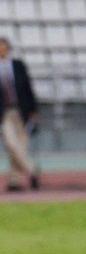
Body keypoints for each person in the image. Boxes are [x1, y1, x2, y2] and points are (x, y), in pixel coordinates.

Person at [0, 38, 39, 192]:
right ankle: (32, 170)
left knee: (20, 145)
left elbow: (28, 88)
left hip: (21, 111)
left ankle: (13, 180)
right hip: (4, 113)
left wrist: (34, 111)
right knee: (12, 144)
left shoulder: (18, 65)